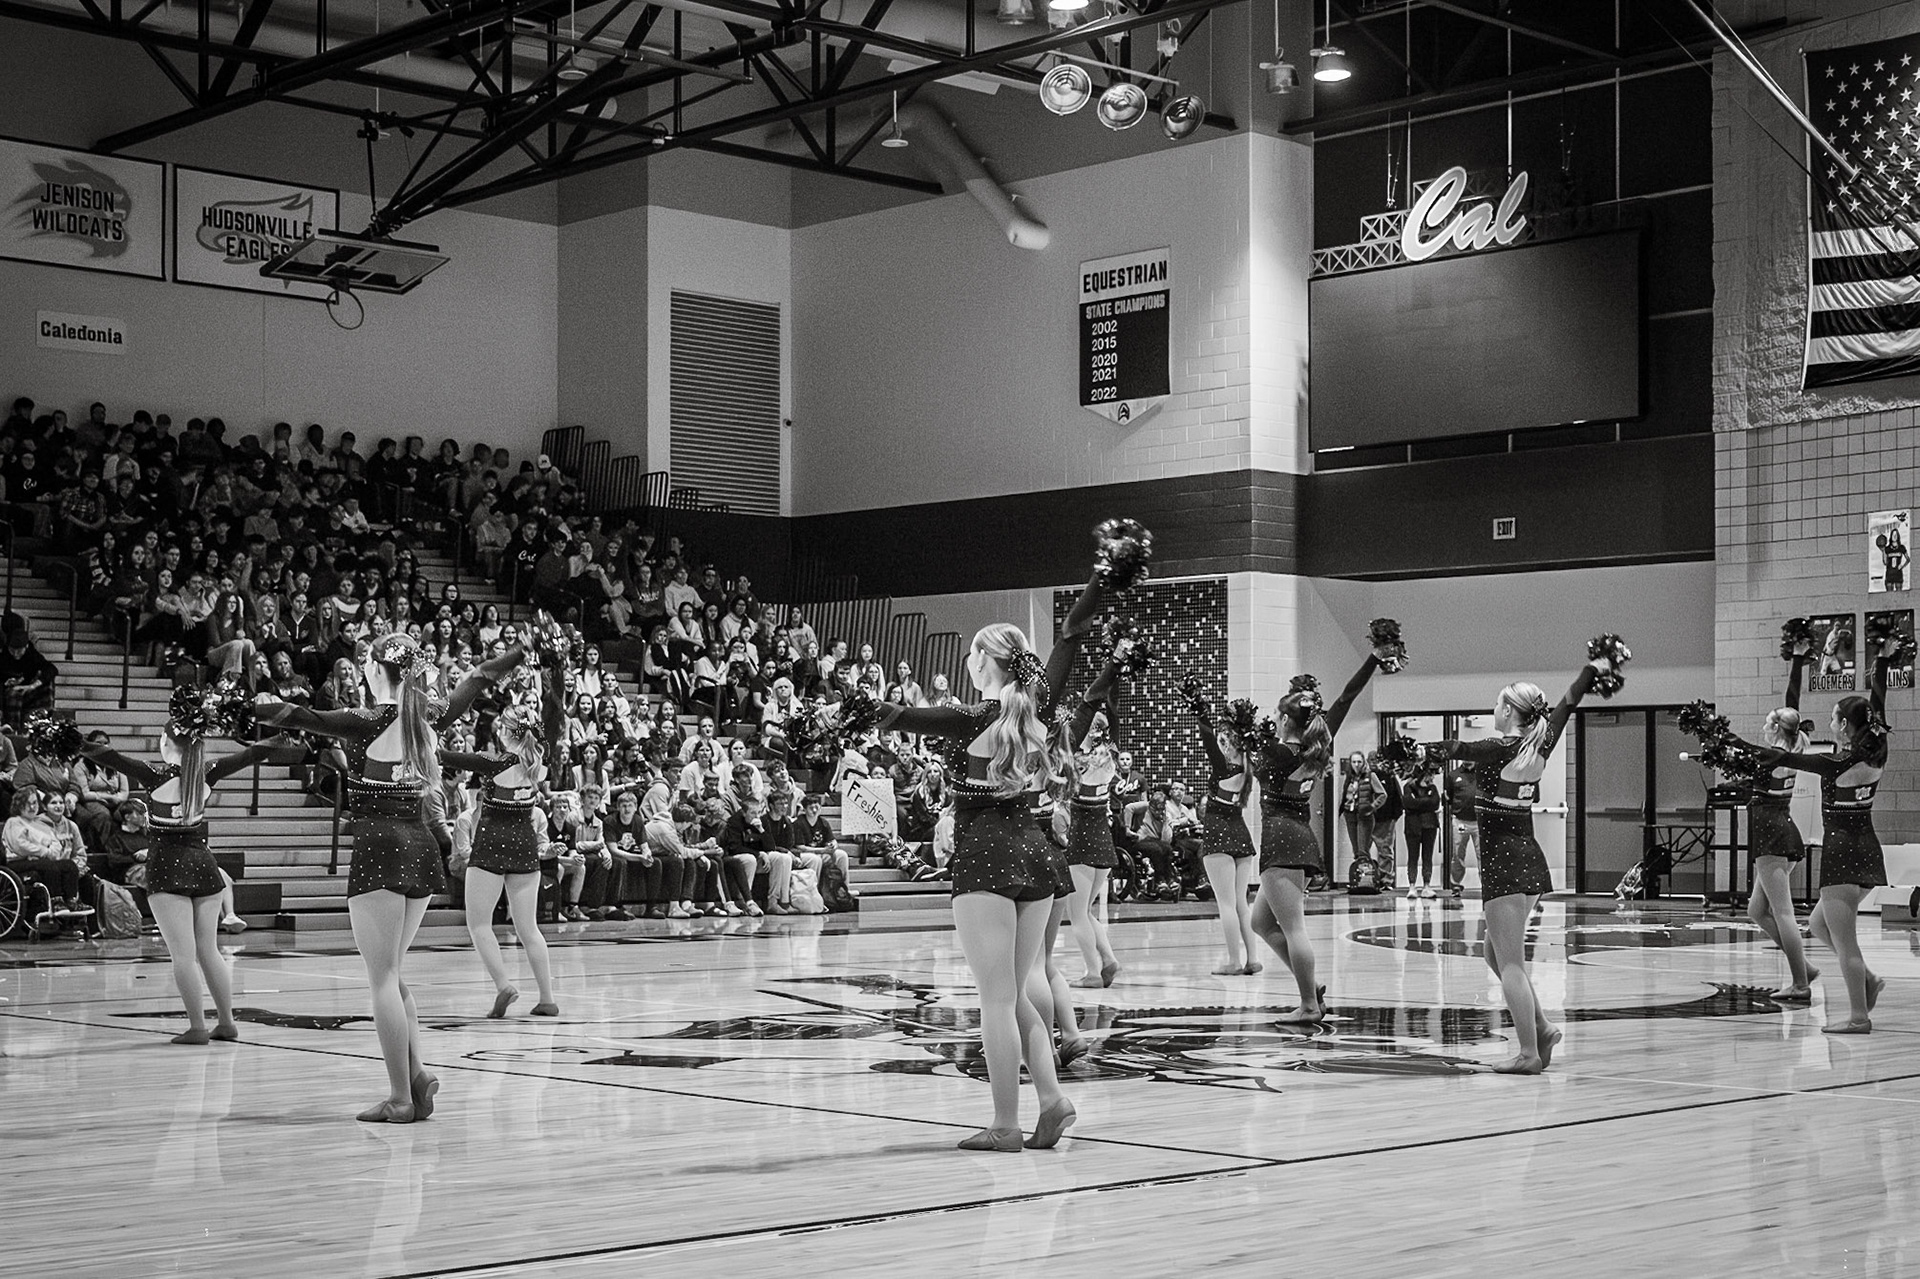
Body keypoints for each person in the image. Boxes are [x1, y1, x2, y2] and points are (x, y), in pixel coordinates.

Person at [852, 570, 1107, 1152]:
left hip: (987, 859)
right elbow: (1071, 635)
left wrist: (856, 710)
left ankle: (1004, 1124)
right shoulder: (1037, 706)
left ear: (984, 661)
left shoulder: (970, 717)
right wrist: (1100, 579)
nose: (966, 661)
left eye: (971, 653)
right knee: (1015, 994)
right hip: (1036, 857)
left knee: (995, 999)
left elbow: (892, 715)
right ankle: (1052, 1100)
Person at [255, 632, 448, 1122]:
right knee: (394, 972)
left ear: (376, 669)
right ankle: (417, 1075)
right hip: (420, 844)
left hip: (380, 846)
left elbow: (301, 717)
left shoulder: (369, 718)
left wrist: (247, 706)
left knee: (381, 978)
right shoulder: (423, 718)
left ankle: (400, 1098)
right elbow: (477, 681)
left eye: (366, 662)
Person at [1430, 649, 1610, 1072]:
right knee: (1494, 955)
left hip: (1503, 864)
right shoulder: (1540, 742)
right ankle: (1542, 1028)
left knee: (1510, 962)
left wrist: (1414, 751)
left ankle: (1529, 1053)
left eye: (1497, 703)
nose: (1493, 709)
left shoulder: (1500, 747)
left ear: (1509, 710)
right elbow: (1568, 702)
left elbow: (1457, 747)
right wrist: (1592, 670)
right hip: (1527, 858)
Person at [78, 691, 288, 1044]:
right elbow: (252, 753)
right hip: (204, 866)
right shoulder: (208, 771)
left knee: (184, 956)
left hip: (166, 870)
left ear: (165, 742)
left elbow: (107, 755)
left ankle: (197, 1028)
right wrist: (284, 735)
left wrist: (72, 741)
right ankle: (227, 1022)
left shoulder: (153, 774)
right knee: (209, 950)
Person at [1733, 634, 1895, 1032]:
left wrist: (1727, 741)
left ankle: (1858, 1016)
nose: (1830, 723)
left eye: (1835, 718)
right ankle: (1868, 981)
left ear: (1845, 726)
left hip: (1843, 855)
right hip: (1868, 850)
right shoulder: (1875, 753)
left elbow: (1782, 755)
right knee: (1820, 926)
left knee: (1846, 943)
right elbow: (1877, 707)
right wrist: (1883, 664)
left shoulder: (1837, 764)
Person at [1251, 638, 1394, 1023]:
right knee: (1260, 923)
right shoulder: (1316, 744)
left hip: (1281, 840)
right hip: (1299, 835)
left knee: (1294, 928)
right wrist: (1372, 659)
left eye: (1278, 714)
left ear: (1285, 720)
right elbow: (1346, 697)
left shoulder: (1276, 752)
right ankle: (1309, 986)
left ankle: (1309, 1005)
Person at [1188, 687, 1262, 973]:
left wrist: (1200, 712)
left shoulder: (1223, 768)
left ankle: (1233, 961)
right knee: (1241, 903)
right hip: (1241, 834)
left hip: (1219, 833)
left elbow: (1207, 739)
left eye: (1223, 742)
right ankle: (1252, 958)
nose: (1219, 746)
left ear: (1230, 745)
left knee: (1227, 904)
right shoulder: (1248, 767)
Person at [1402, 761, 1442, 898]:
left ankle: (1426, 886)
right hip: (1412, 826)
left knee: (1427, 856)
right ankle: (1412, 886)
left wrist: (1419, 803)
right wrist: (1426, 802)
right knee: (1413, 856)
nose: (1432, 778)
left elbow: (1435, 803)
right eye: (1429, 775)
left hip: (1429, 826)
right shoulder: (1408, 787)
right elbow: (1409, 803)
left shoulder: (1433, 788)